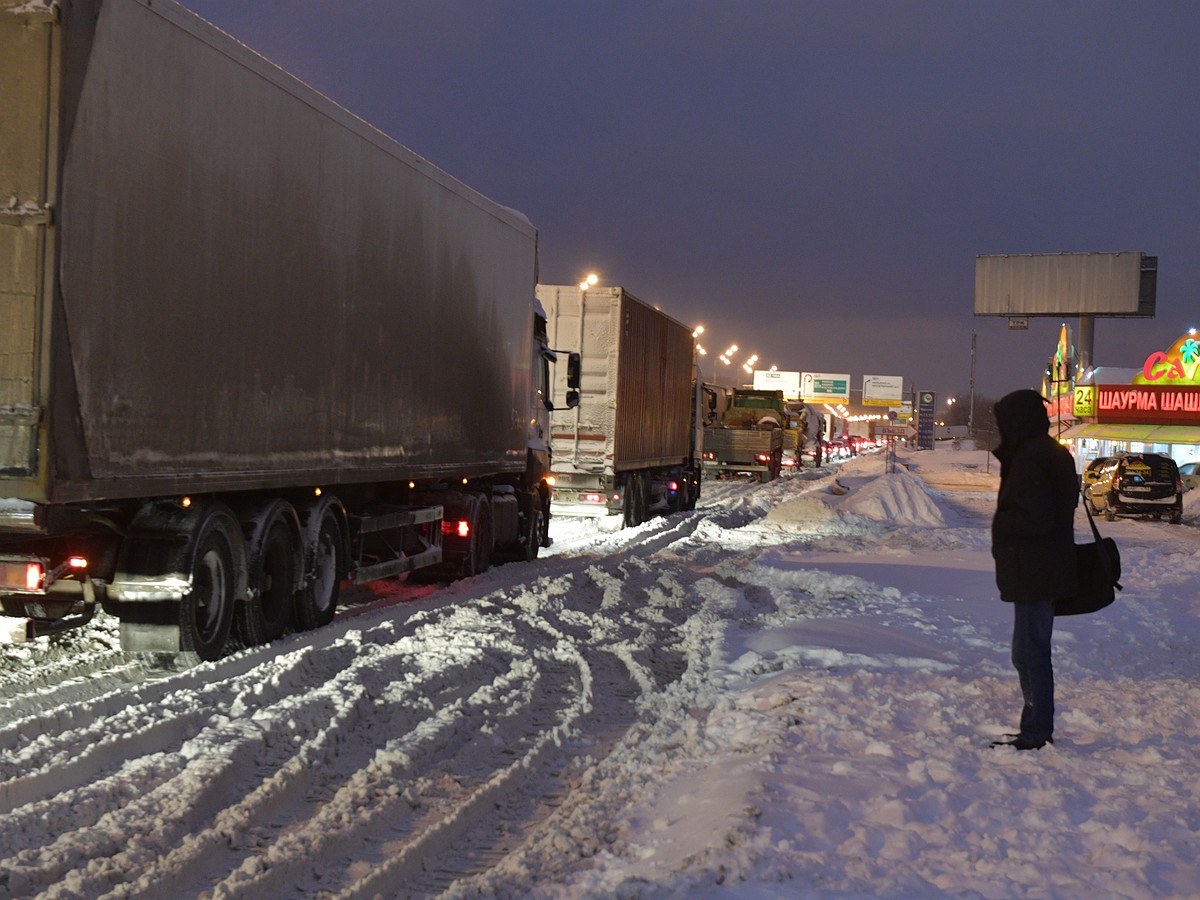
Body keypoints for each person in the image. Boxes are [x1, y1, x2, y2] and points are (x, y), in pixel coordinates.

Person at [989, 389, 1078, 750]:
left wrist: (1004, 524)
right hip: (1039, 567)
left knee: (1030, 653)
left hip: (1036, 569)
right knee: (1026, 651)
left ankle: (1037, 731)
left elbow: (1037, 515)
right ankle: (1035, 726)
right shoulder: (1045, 452)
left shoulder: (1033, 456)